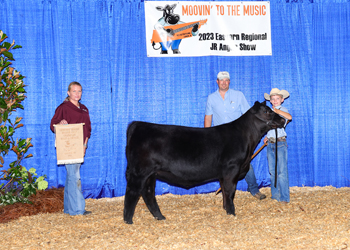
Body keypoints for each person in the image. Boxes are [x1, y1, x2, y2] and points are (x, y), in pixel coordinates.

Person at [204, 71, 266, 200]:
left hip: (237, 136)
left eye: (226, 80)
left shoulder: (238, 95)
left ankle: (254, 189)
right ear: (217, 81)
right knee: (218, 162)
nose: (224, 82)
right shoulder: (211, 97)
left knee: (244, 162)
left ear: (229, 82)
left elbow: (249, 115)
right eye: (221, 80)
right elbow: (208, 116)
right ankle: (226, 189)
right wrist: (206, 135)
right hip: (219, 136)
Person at [50, 81, 92, 215]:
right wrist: (60, 123)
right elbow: (53, 125)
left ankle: (69, 208)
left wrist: (85, 145)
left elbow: (87, 129)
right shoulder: (63, 107)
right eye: (74, 91)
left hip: (80, 145)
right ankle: (78, 209)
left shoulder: (84, 108)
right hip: (68, 146)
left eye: (79, 91)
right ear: (68, 93)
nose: (77, 94)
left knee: (71, 176)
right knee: (75, 176)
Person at [263, 88, 292, 203]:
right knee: (272, 171)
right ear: (270, 100)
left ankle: (284, 198)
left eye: (277, 99)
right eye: (273, 99)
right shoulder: (268, 111)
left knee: (281, 172)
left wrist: (277, 111)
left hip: (280, 143)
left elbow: (289, 117)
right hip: (270, 143)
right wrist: (267, 135)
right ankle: (275, 195)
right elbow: (269, 126)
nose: (275, 101)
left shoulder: (283, 110)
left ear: (282, 100)